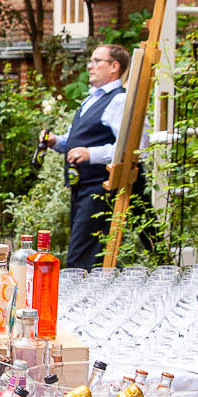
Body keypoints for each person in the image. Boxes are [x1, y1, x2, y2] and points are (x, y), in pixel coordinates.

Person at [42, 42, 131, 269]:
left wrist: (91, 154)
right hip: (81, 187)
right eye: (90, 61)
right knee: (84, 252)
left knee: (82, 257)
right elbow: (75, 140)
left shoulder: (120, 100)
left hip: (101, 187)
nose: (90, 66)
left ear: (114, 66)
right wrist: (56, 141)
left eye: (96, 61)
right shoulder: (91, 98)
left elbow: (130, 148)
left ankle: (78, 301)